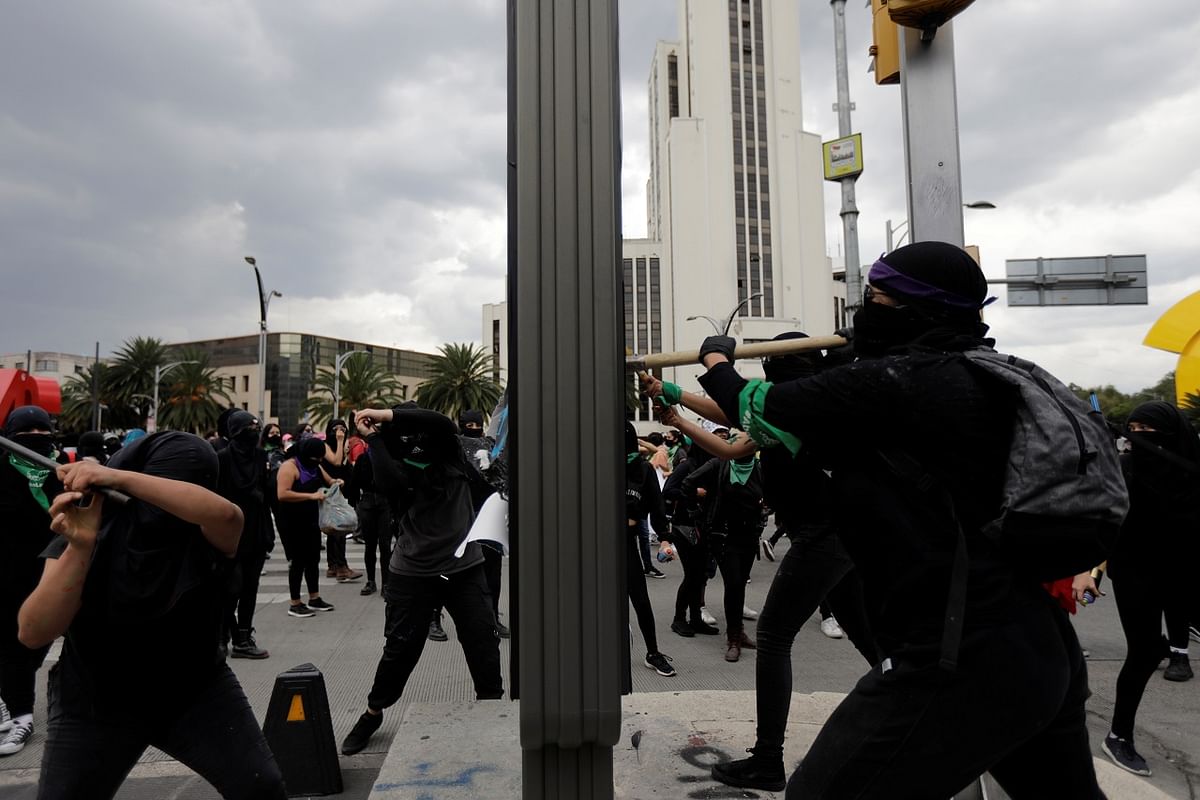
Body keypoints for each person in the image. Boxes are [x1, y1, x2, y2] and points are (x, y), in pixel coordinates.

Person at [687, 241, 1105, 798]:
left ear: (914, 309)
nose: (865, 310)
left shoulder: (901, 384)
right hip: (1039, 649)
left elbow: (754, 405)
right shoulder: (984, 380)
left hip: (958, 659)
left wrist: (715, 358)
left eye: (877, 298)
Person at [17, 432, 286, 799]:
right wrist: (80, 548)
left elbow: (225, 512)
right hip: (95, 700)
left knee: (261, 786)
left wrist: (114, 477)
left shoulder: (206, 531)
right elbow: (33, 632)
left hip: (196, 690)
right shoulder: (83, 528)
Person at [340, 404, 505, 755]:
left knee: (482, 642)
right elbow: (389, 483)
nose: (416, 440)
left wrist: (381, 415)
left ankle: (492, 708)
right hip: (413, 572)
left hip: (464, 567)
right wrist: (374, 440)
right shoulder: (390, 458)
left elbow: (441, 423)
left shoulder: (448, 446)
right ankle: (373, 713)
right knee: (400, 650)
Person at [1085, 401, 1200, 776]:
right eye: (1132, 428)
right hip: (1135, 571)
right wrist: (1089, 570)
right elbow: (1101, 520)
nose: (1137, 437)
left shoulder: (1191, 473)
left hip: (1181, 568)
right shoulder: (1125, 469)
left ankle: (1177, 650)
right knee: (1145, 652)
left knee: (1167, 635)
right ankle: (1119, 735)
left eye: (1147, 430)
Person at [0, 406, 63, 756]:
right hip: (6, 572)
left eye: (43, 433)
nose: (37, 440)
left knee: (34, 645)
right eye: (28, 434)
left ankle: (13, 699)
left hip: (53, 569)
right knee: (13, 645)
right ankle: (22, 713)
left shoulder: (61, 466)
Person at [215, 411, 271, 659]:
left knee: (250, 587)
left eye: (256, 426)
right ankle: (224, 635)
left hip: (256, 531)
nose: (254, 430)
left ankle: (244, 638)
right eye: (249, 426)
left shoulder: (261, 456)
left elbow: (268, 495)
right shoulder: (222, 459)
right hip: (230, 533)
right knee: (230, 588)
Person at [624, 422, 677, 678]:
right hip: (594, 545)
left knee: (641, 601)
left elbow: (656, 508)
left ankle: (653, 652)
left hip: (625, 545)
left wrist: (665, 540)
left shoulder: (641, 469)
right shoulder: (592, 465)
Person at [275, 437, 339, 618]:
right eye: (315, 458)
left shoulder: (316, 465)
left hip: (312, 519)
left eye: (320, 458)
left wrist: (336, 482)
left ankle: (314, 597)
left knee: (313, 558)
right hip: (292, 521)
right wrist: (311, 496)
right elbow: (282, 493)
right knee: (298, 561)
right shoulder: (290, 466)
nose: (318, 461)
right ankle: (295, 603)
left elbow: (329, 480)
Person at [322, 418, 361, 583]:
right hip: (332, 492)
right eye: (336, 429)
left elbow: (345, 465)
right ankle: (341, 567)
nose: (340, 432)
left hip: (344, 491)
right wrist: (339, 442)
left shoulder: (344, 445)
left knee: (335, 530)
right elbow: (337, 463)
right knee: (339, 529)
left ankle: (333, 566)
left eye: (343, 429)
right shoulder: (326, 446)